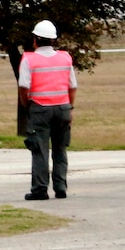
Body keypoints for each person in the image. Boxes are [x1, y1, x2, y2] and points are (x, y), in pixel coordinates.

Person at [17, 20, 77, 200]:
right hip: (63, 107)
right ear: (53, 40)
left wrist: (26, 104)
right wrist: (69, 106)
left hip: (40, 108)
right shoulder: (65, 57)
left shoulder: (28, 58)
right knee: (60, 148)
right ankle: (60, 186)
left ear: (35, 39)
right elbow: (72, 86)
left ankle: (40, 189)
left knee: (40, 149)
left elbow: (23, 86)